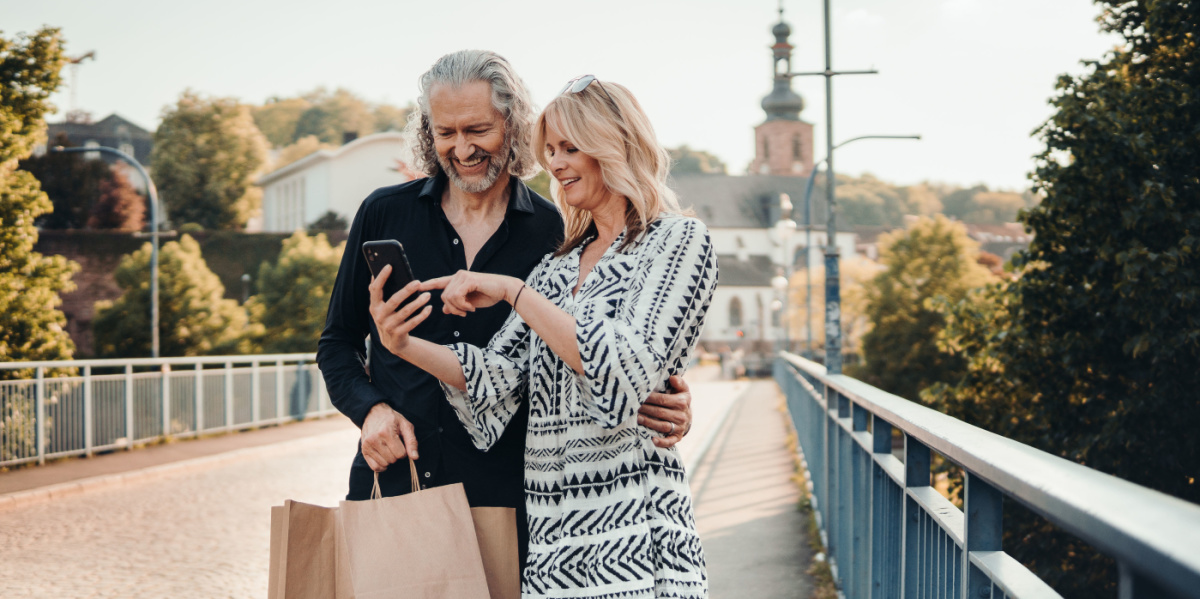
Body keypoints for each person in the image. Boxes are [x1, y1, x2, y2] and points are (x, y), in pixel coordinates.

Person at [316, 51, 694, 566]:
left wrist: (665, 397)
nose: (462, 148)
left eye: (477, 130)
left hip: (510, 496)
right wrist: (370, 411)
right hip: (396, 476)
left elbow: (591, 353)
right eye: (445, 133)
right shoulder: (383, 213)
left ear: (512, 126)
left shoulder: (558, 234)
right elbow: (336, 344)